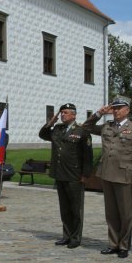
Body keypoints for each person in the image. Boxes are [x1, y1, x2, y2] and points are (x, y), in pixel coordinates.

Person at [82, 96, 132, 259]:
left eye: (119, 108)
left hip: (125, 175)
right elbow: (86, 127)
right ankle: (113, 243)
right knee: (111, 213)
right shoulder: (107, 126)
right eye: (114, 108)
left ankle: (124, 245)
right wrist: (98, 113)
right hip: (107, 173)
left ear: (127, 110)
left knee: (125, 213)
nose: (116, 111)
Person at [39, 103, 93, 249]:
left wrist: (85, 175)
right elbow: (43, 134)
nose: (63, 115)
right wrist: (51, 122)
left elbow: (88, 156)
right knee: (64, 208)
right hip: (60, 173)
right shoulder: (57, 129)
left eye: (66, 112)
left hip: (74, 175)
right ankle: (66, 235)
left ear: (74, 115)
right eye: (61, 112)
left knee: (75, 208)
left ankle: (75, 237)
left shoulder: (82, 131)